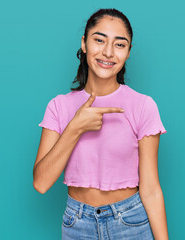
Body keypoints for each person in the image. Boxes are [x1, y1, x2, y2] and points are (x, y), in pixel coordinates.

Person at [33, 8, 169, 240]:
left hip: (130, 222)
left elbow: (151, 189)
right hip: (77, 224)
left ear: (128, 52)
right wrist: (76, 127)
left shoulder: (143, 106)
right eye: (99, 40)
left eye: (119, 44)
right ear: (84, 43)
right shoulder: (59, 106)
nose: (108, 52)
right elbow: (41, 183)